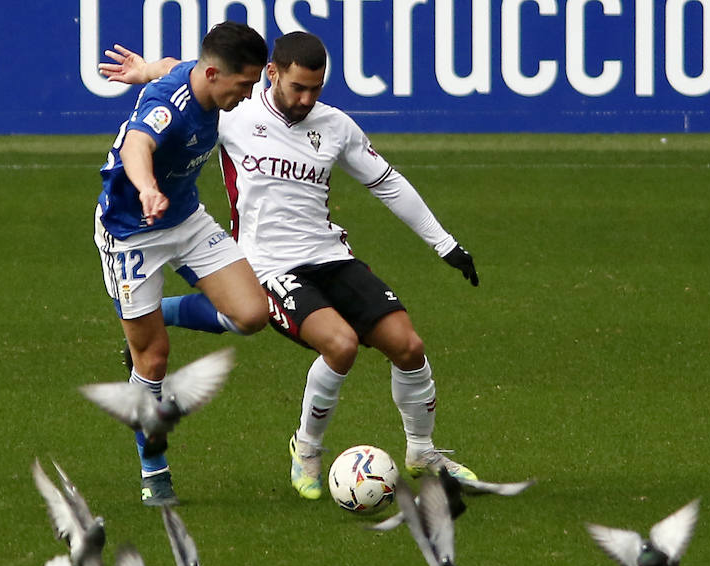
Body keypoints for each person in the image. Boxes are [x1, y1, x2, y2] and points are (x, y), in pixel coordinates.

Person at [100, 32, 482, 502]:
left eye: (315, 89)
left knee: (406, 345)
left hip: (314, 251)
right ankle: (179, 468)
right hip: (187, 244)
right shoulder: (235, 108)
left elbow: (387, 183)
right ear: (272, 74)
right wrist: (146, 186)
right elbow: (145, 134)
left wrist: (444, 244)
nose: (306, 99)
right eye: (297, 87)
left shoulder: (331, 125)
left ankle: (422, 451)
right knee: (331, 345)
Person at [93, 21, 270, 506]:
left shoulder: (196, 76)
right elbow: (137, 143)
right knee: (153, 359)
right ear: (214, 74)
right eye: (244, 84)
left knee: (253, 315)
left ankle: (157, 313)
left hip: (185, 218)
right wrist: (148, 188)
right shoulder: (166, 109)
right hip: (132, 233)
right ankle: (154, 470)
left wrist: (144, 69)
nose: (248, 94)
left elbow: (173, 66)